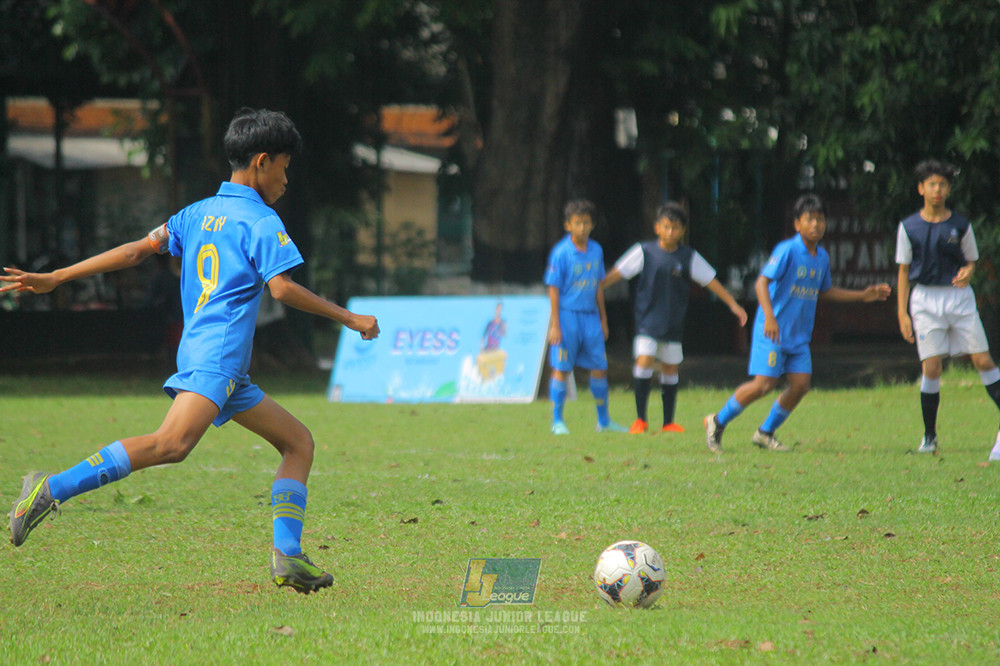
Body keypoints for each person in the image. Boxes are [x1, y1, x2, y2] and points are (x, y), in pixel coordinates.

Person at [1, 108, 380, 594]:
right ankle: (49, 488)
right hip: (217, 359)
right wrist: (350, 318)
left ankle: (287, 556)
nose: (287, 179)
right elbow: (282, 290)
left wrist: (57, 277)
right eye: (284, 166)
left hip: (219, 365)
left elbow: (137, 250)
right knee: (170, 445)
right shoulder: (262, 220)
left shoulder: (195, 213)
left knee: (298, 443)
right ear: (261, 162)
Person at [704, 194, 891, 452]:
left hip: (798, 335)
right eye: (809, 219)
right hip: (773, 330)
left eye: (820, 219)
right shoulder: (788, 250)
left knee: (801, 385)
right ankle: (717, 421)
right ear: (797, 224)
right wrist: (769, 316)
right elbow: (761, 282)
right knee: (763, 385)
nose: (815, 225)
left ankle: (764, 432)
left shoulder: (821, 257)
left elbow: (822, 290)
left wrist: (862, 295)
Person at [602, 202, 748, 434]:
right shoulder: (644, 252)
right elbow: (617, 273)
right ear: (657, 227)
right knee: (644, 361)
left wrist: (733, 305)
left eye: (676, 228)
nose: (671, 232)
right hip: (646, 321)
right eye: (666, 227)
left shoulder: (688, 256)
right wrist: (595, 287)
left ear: (682, 231)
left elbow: (710, 280)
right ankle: (641, 420)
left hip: (672, 322)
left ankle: (668, 422)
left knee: (670, 368)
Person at [895, 159, 1000, 459]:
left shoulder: (961, 225)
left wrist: (969, 271)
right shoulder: (908, 227)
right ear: (921, 189)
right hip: (925, 300)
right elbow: (903, 271)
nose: (937, 189)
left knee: (982, 361)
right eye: (931, 184)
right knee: (931, 367)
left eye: (942, 184)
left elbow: (971, 261)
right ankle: (930, 437)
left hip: (958, 298)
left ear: (948, 189)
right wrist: (901, 313)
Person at [545, 199, 626, 434]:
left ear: (593, 225)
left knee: (600, 366)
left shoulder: (596, 250)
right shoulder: (561, 253)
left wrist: (603, 318)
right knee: (562, 368)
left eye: (586, 223)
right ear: (568, 225)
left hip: (591, 317)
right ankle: (557, 421)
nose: (582, 228)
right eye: (577, 223)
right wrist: (555, 325)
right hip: (568, 316)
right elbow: (553, 289)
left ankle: (604, 421)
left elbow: (598, 286)